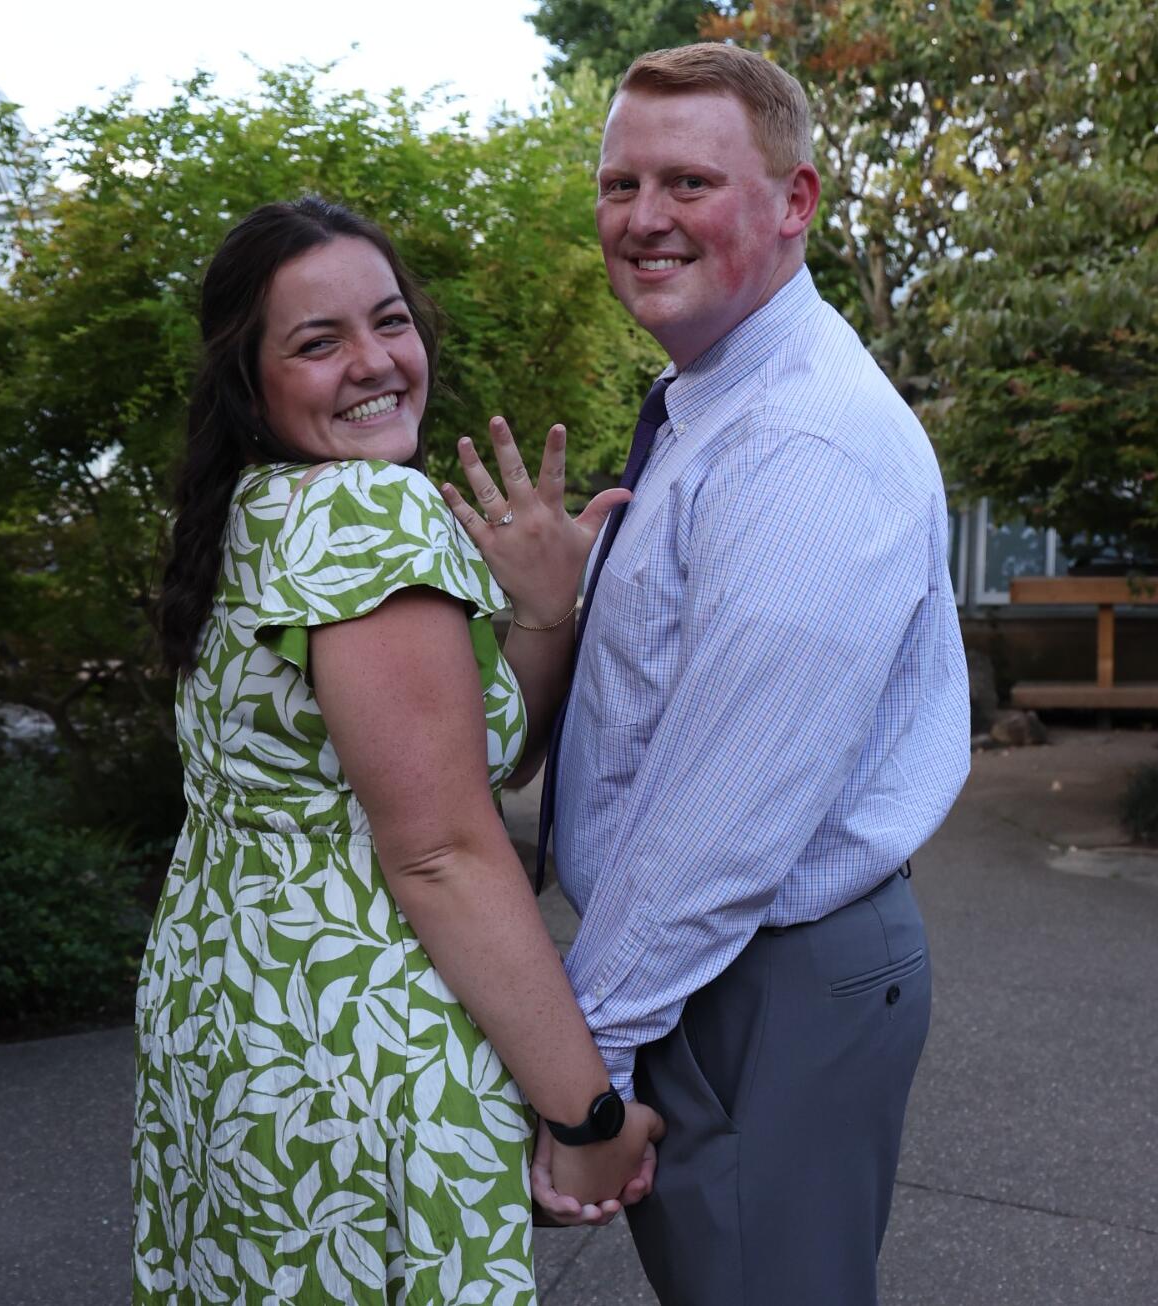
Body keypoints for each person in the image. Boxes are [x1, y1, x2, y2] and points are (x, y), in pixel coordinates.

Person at [442, 44, 971, 1306]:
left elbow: (717, 821)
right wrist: (552, 606)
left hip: (756, 981)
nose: (642, 218)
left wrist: (585, 1076)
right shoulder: (714, 402)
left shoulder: (798, 443)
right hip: (724, 970)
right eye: (620, 183)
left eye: (687, 181)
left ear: (793, 203)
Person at [133, 196, 663, 1305]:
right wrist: (588, 1115)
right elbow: (441, 850)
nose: (374, 362)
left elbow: (468, 762)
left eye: (390, 321)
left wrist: (540, 609)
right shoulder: (367, 514)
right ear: (251, 379)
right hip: (363, 1053)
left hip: (233, 1029)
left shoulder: (249, 511)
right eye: (318, 341)